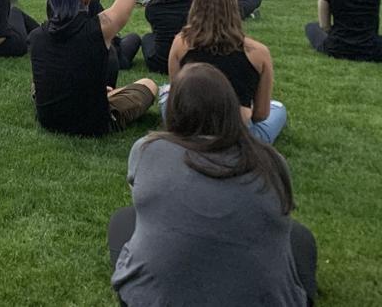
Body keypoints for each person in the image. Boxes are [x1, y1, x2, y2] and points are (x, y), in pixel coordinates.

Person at [108, 63, 317, 307]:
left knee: (125, 220)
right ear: (231, 107)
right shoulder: (271, 160)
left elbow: (142, 198)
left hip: (154, 298)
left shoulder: (148, 149)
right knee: (299, 237)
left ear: (174, 110)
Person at [28, 0, 158, 137]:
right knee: (148, 85)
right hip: (92, 123)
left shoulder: (36, 36)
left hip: (49, 119)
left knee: (38, 82)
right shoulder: (99, 30)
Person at [166, 0, 288, 144]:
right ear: (234, 10)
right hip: (237, 133)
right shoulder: (258, 53)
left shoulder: (181, 44)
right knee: (278, 109)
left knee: (166, 95)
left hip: (191, 128)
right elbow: (261, 114)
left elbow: (176, 100)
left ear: (195, 8)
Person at [142, 0, 237, 74]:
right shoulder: (195, 0)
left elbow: (156, 31)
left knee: (148, 37)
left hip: (160, 62)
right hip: (188, 58)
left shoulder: (152, 6)